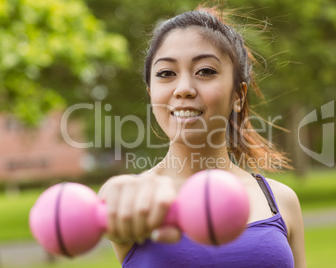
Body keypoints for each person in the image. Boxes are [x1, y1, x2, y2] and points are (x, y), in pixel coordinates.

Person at [99, 5, 306, 268]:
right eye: (166, 73)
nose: (183, 89)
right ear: (151, 92)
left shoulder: (280, 201)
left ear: (239, 96)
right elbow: (114, 202)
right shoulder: (136, 198)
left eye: (205, 71)